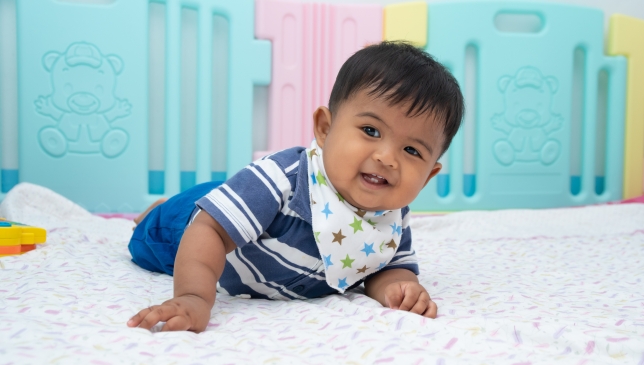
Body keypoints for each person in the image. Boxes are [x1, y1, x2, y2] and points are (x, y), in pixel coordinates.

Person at [127, 41, 464, 333]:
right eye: (371, 131)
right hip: (193, 228)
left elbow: (389, 267)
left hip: (245, 205)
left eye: (411, 150)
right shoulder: (282, 179)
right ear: (325, 128)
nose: (387, 158)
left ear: (428, 175)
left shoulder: (391, 217)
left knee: (238, 199)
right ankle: (155, 211)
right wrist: (194, 298)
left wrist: (399, 289)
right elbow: (210, 231)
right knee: (146, 241)